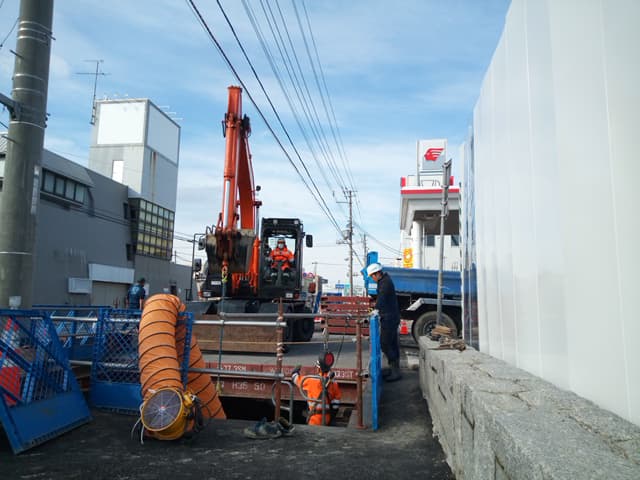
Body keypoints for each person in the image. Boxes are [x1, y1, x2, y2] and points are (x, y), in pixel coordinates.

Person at [367, 262, 402, 382]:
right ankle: (394, 369)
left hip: (389, 318)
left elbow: (382, 297)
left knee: (385, 343)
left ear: (377, 273)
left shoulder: (385, 283)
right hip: (391, 316)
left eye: (372, 276)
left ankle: (395, 370)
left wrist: (376, 310)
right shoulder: (384, 281)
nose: (372, 278)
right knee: (392, 344)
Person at [291, 354, 342, 426]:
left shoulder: (311, 380)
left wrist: (295, 371)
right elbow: (336, 405)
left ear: (318, 369)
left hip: (314, 419)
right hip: (327, 419)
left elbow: (295, 379)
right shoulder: (334, 383)